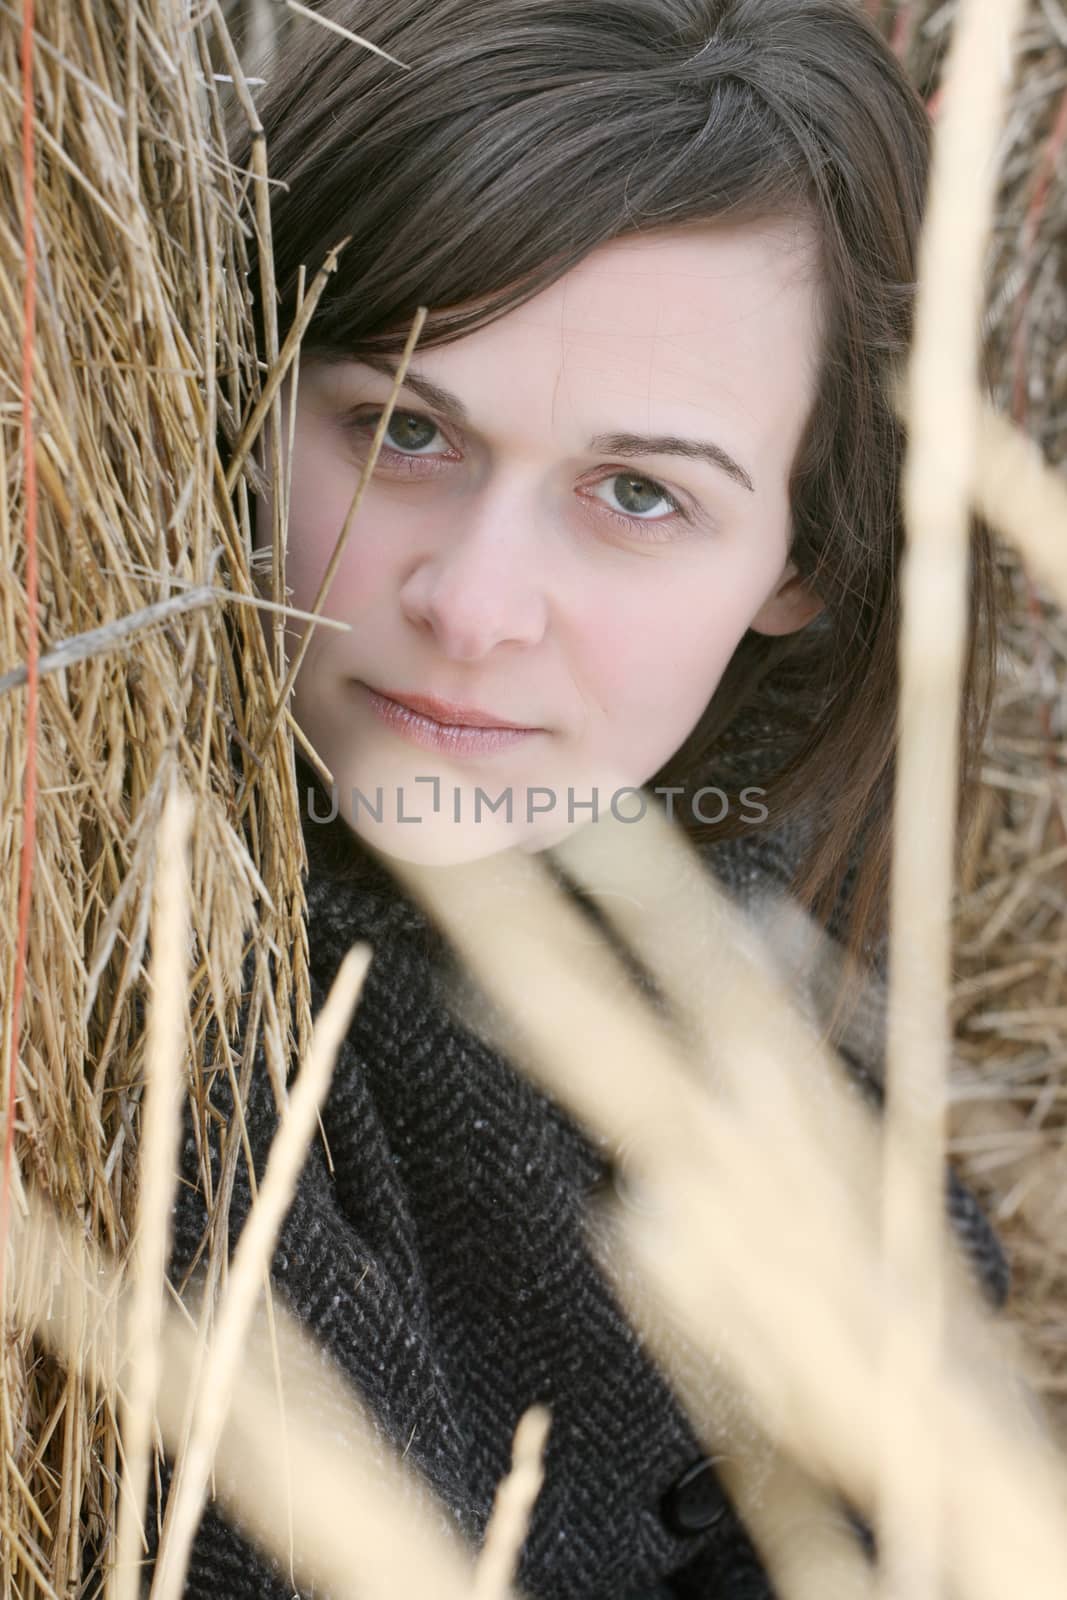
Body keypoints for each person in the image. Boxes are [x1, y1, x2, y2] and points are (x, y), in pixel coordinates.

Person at [150, 2, 1009, 1596]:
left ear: (806, 560)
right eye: (402, 428)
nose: (475, 607)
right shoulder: (150, 1041)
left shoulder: (797, 1050)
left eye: (637, 494)